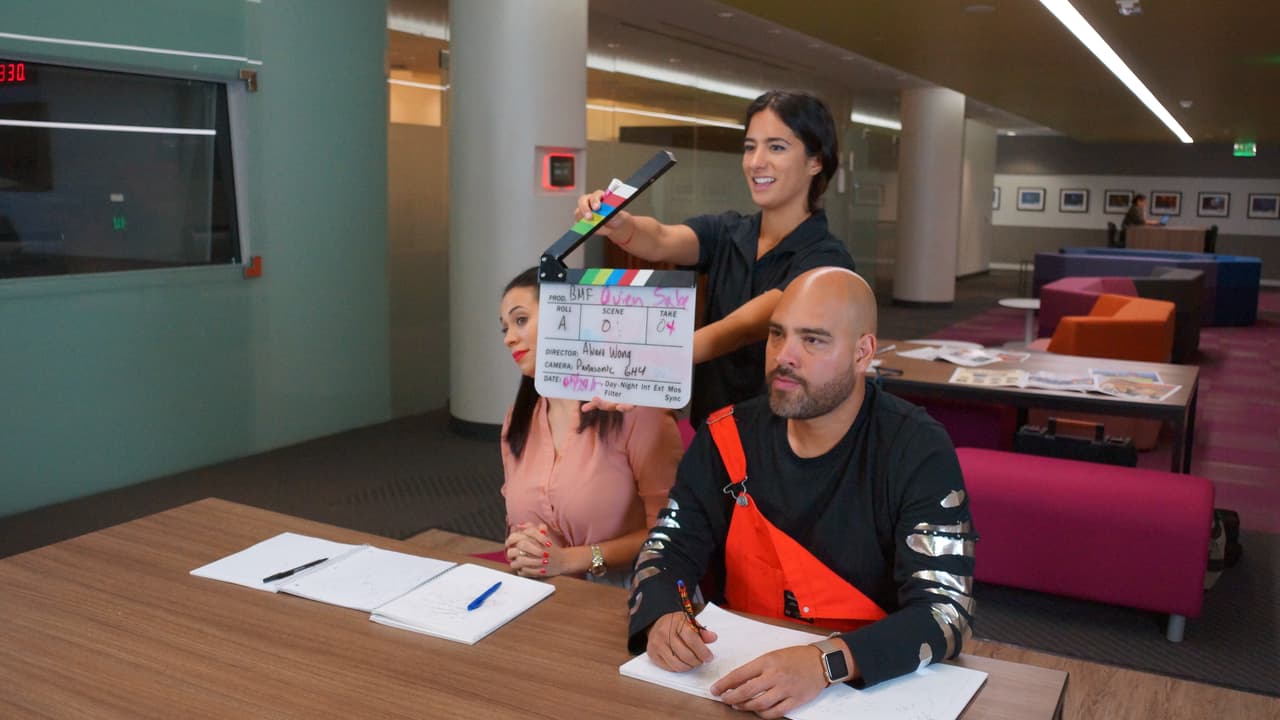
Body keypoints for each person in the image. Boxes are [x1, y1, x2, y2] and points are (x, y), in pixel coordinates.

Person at [626, 267, 976, 718]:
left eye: (813, 340)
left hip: (866, 695)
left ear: (862, 352)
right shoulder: (725, 434)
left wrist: (825, 663)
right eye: (777, 335)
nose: (783, 356)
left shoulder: (917, 448)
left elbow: (948, 613)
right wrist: (663, 616)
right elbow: (668, 548)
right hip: (732, 685)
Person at [576, 90, 856, 428]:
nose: (756, 162)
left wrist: (645, 363)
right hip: (713, 426)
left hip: (780, 437)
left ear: (816, 161)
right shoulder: (727, 231)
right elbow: (661, 239)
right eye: (750, 147)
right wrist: (620, 224)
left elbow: (740, 328)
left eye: (776, 147)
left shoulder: (827, 258)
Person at [498, 268, 684, 583]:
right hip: (546, 594)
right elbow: (517, 526)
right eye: (504, 328)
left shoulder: (637, 411)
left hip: (634, 593)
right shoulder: (517, 420)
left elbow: (671, 532)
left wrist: (574, 559)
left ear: (568, 316)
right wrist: (524, 549)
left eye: (520, 320)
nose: (508, 338)